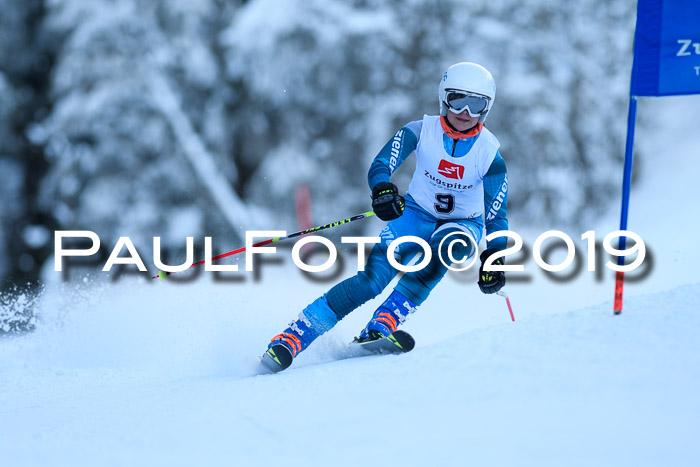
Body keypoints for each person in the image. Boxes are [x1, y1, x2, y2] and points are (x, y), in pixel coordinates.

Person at [263, 62, 509, 371]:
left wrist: (495, 257)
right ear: (444, 97)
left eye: (477, 105)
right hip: (416, 215)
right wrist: (382, 190)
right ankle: (294, 335)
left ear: (487, 108)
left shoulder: (489, 154)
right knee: (372, 281)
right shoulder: (421, 130)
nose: (466, 112)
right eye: (458, 99)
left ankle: (383, 323)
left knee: (450, 245)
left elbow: (497, 215)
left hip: (463, 223)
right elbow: (382, 163)